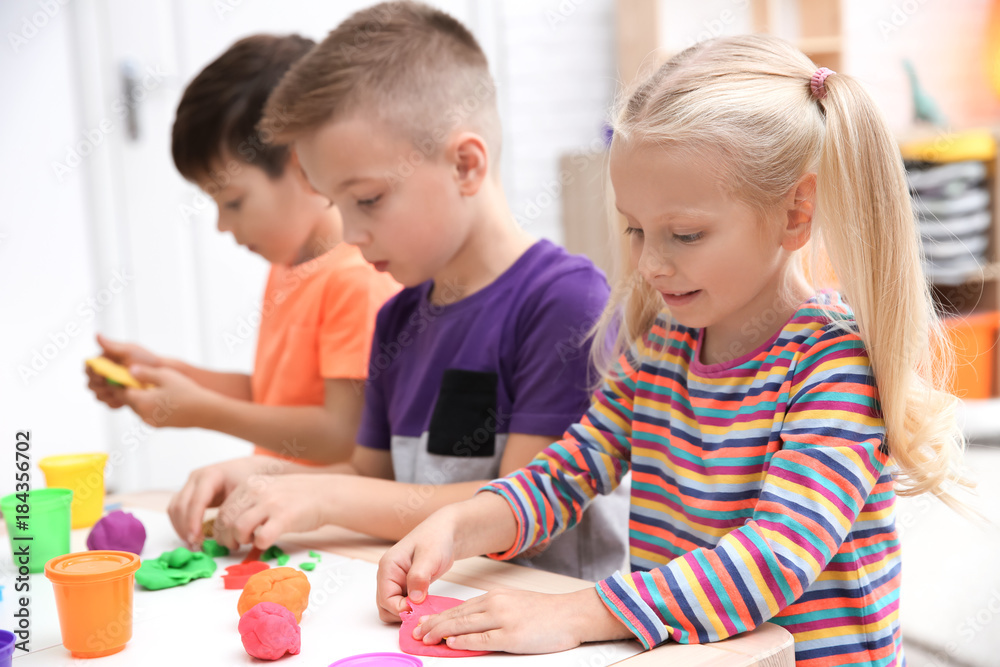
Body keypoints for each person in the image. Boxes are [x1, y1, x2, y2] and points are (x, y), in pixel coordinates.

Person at [374, 34, 972, 665]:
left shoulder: (834, 367)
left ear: (796, 213)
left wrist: (577, 613)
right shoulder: (663, 347)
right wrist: (460, 525)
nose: (651, 264)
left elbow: (774, 559)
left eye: (685, 234)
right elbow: (570, 468)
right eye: (635, 229)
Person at [170, 2, 630, 582]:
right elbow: (373, 479)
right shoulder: (396, 319)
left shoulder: (564, 304)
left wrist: (321, 497)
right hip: (439, 619)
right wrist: (265, 478)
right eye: (337, 205)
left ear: (466, 165)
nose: (351, 233)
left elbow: (514, 511)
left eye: (367, 200)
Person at [87, 34, 400, 474]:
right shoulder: (289, 267)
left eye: (233, 202)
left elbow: (339, 434)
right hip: (280, 513)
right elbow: (274, 398)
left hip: (331, 526)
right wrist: (163, 372)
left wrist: (203, 412)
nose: (222, 225)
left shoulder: (356, 279)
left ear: (305, 164)